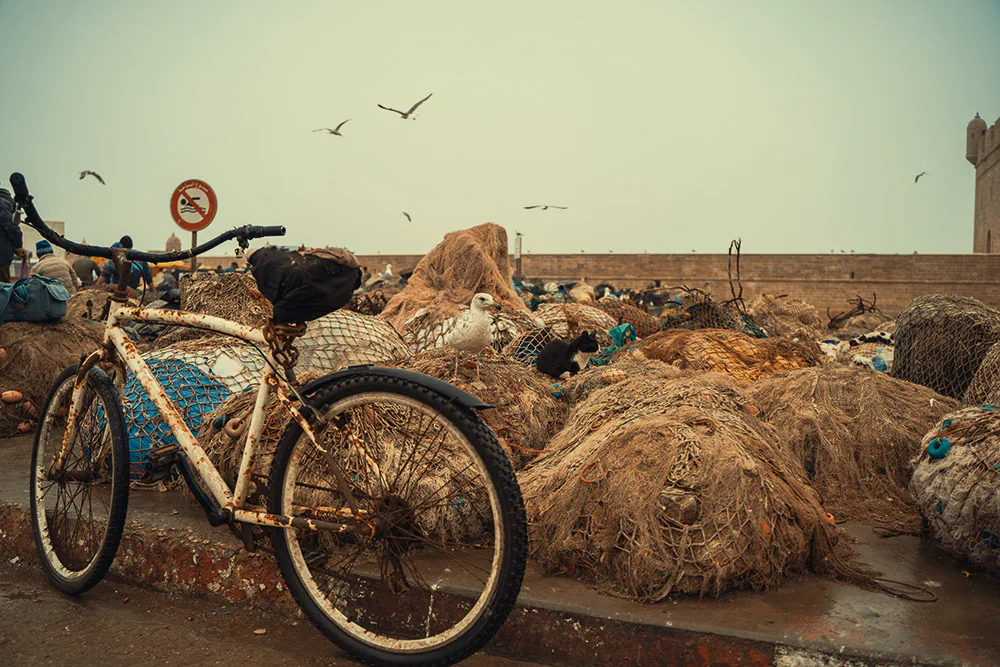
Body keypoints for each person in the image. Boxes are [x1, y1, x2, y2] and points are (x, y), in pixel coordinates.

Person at [0, 187, 26, 283]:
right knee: (3, 290)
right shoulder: (4, 202)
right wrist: (18, 246)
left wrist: (16, 246)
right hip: (2, 256)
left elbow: (9, 227)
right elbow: (11, 226)